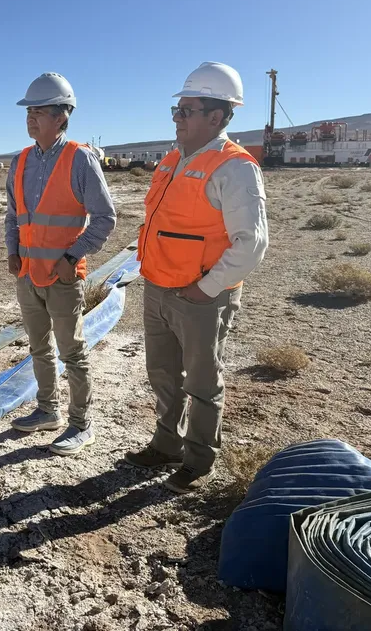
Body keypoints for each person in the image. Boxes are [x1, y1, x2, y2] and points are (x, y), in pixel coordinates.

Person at [126, 62, 269, 494]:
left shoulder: (235, 168)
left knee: (203, 382)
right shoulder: (169, 161)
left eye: (188, 110)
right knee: (163, 374)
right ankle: (165, 444)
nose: (178, 118)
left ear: (218, 116)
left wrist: (204, 288)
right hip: (158, 288)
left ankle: (198, 458)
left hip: (201, 297)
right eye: (177, 110)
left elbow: (252, 244)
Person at [5, 73, 117, 456]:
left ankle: (81, 424)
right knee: (39, 348)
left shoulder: (79, 158)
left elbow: (105, 217)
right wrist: (12, 251)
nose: (31, 118)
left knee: (72, 352)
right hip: (28, 275)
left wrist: (73, 257)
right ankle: (46, 410)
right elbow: (13, 215)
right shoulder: (20, 160)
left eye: (39, 111)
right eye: (29, 111)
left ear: (62, 116)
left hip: (63, 276)